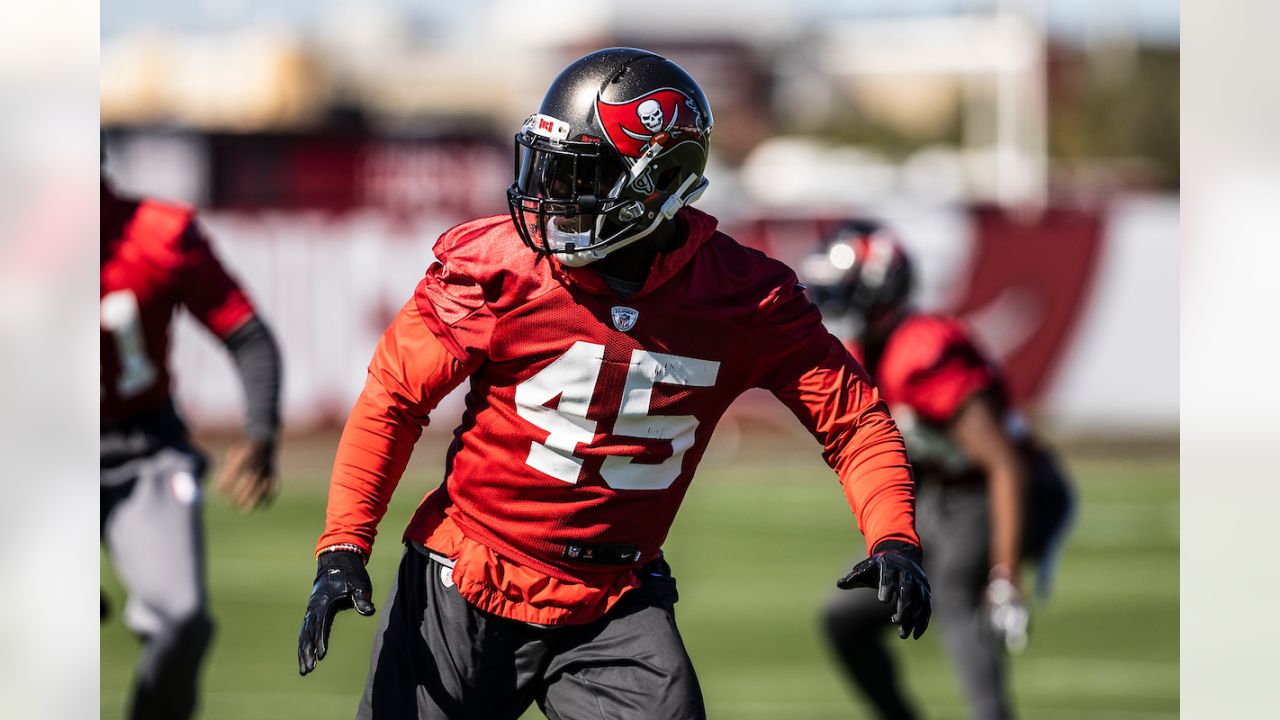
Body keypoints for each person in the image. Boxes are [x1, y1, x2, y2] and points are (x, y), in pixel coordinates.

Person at [295, 47, 931, 720]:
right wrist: (343, 544)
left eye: (582, 175)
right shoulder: (498, 269)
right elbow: (392, 400)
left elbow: (855, 420)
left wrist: (892, 534)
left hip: (614, 597)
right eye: (549, 169)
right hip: (467, 580)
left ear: (659, 181)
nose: (554, 197)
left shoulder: (746, 299)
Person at [802, 220, 1075, 720]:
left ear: (877, 285)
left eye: (843, 288)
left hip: (1014, 489)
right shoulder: (868, 353)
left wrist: (1005, 577)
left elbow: (1003, 463)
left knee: (953, 584)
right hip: (948, 491)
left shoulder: (923, 350)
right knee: (845, 617)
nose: (833, 300)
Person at [101, 170, 283, 719]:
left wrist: (261, 432)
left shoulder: (158, 233)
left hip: (141, 447)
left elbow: (247, 336)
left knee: (182, 618)